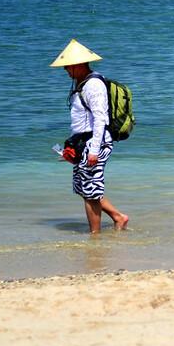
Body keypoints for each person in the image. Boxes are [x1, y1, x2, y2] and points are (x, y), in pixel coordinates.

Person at [50, 38, 130, 234]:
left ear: (78, 65)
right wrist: (72, 148)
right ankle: (118, 217)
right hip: (83, 143)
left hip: (96, 143)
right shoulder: (81, 83)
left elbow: (100, 119)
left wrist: (93, 150)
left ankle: (95, 238)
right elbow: (81, 121)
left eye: (67, 66)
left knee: (90, 192)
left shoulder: (93, 85)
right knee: (85, 189)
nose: (65, 70)